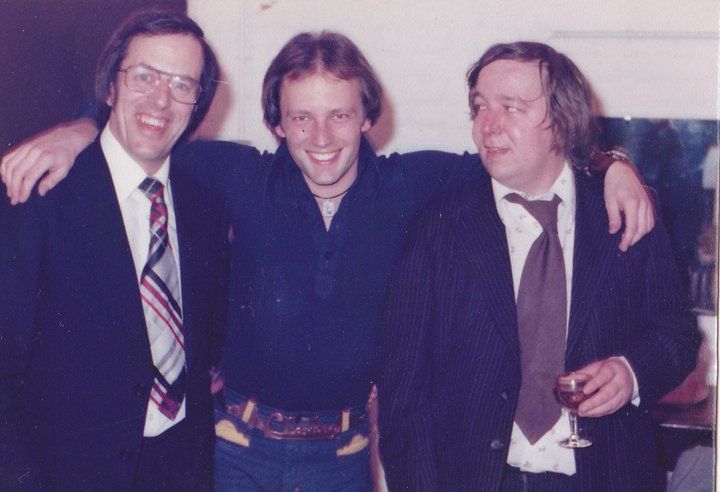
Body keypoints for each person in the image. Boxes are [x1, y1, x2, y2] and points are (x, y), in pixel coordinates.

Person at [1, 32, 654, 490]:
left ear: (368, 118)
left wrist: (612, 164)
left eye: (340, 115)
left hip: (343, 461)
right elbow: (143, 128)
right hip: (234, 457)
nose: (321, 138)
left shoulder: (412, 185)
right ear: (276, 124)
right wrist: (78, 128)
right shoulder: (237, 176)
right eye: (300, 118)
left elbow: (526, 160)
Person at [376, 41, 700, 491]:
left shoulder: (627, 213)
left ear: (563, 120)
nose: (488, 125)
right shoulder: (439, 228)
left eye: (512, 107)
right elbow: (403, 397)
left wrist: (631, 373)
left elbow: (677, 335)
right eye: (480, 107)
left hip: (603, 478)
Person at [0, 10, 228, 490]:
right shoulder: (38, 197)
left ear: (196, 105)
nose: (160, 99)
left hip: (180, 470)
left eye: (182, 85)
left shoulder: (205, 208)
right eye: (144, 76)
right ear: (110, 87)